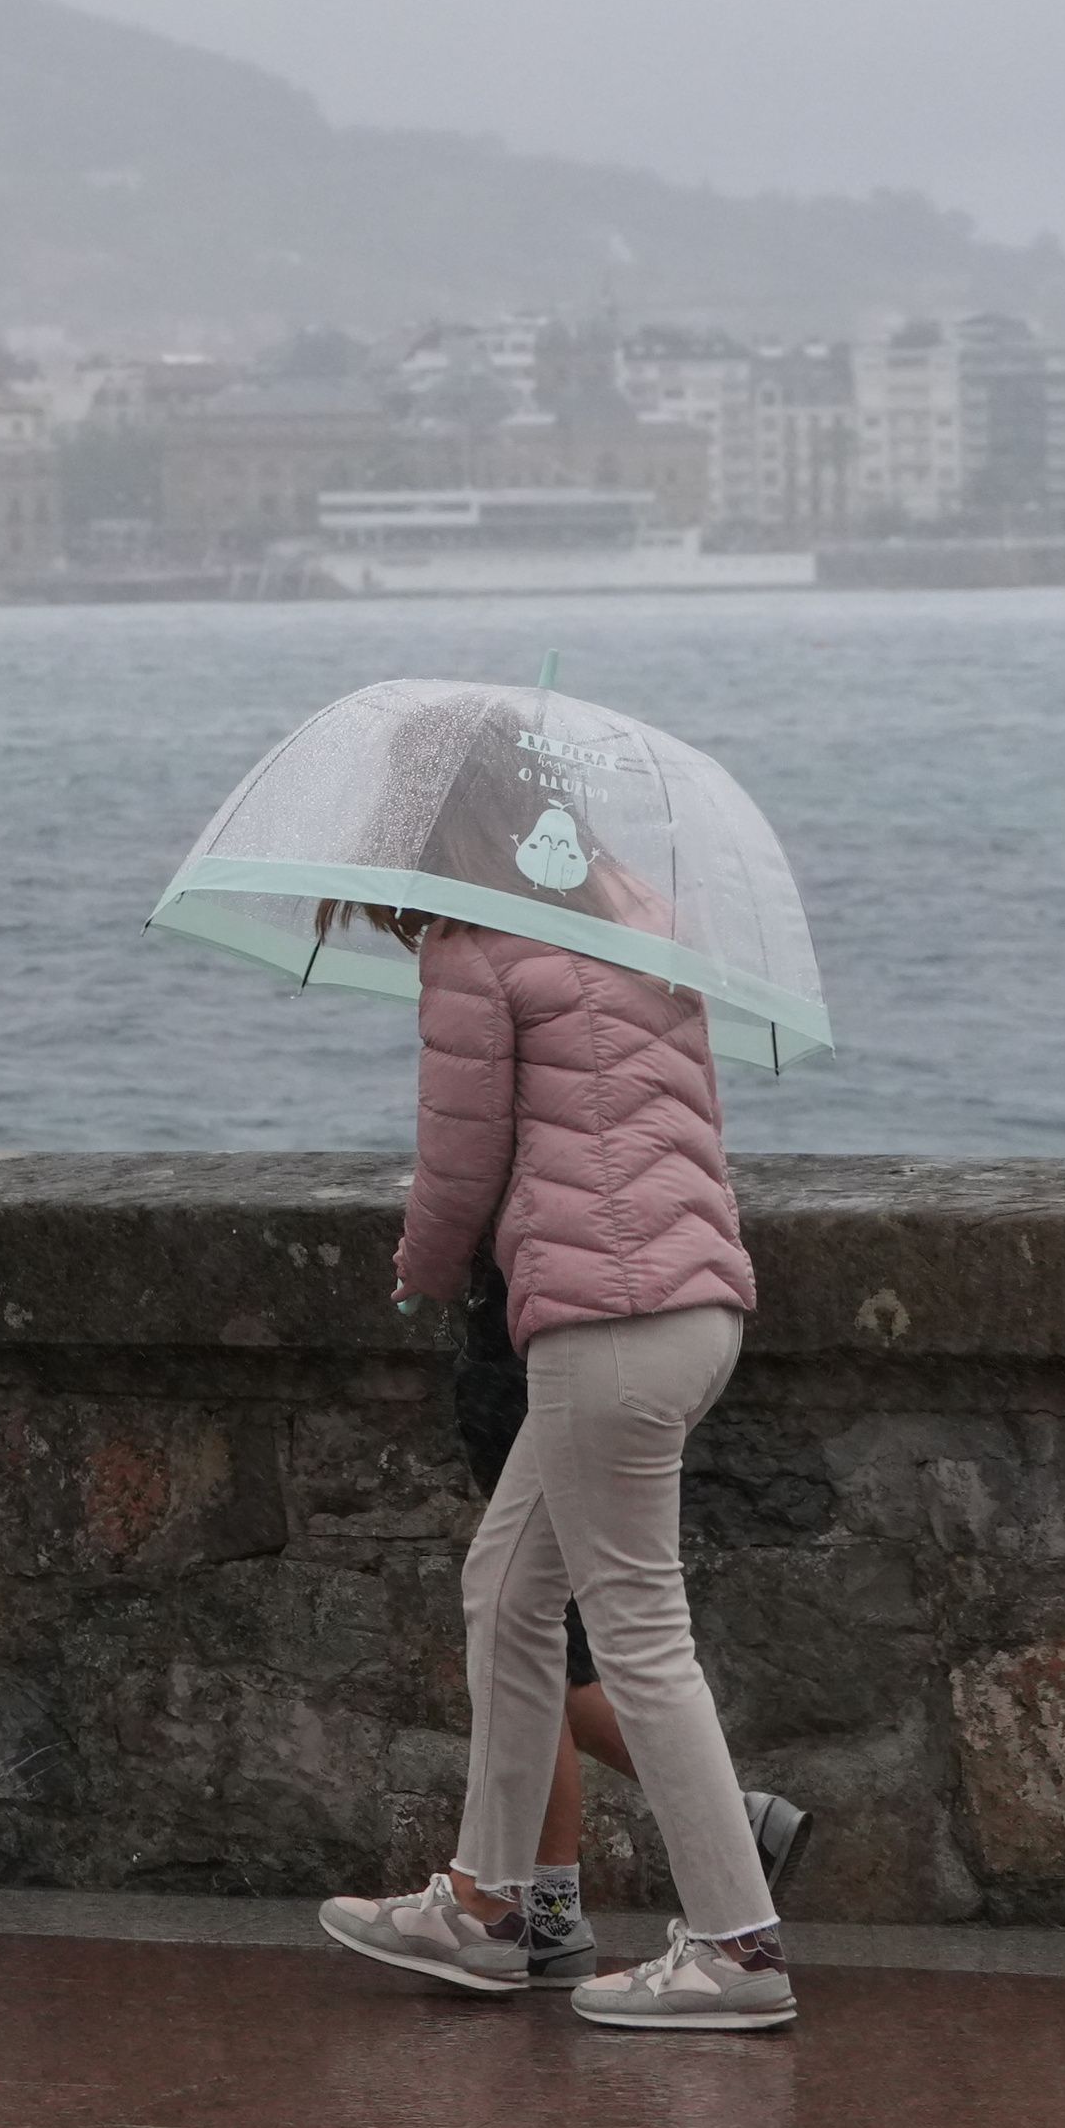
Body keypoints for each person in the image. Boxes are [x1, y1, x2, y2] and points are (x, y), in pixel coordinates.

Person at [319, 722, 794, 2032]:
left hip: (600, 1321)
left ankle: (733, 1948)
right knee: (505, 1592)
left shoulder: (475, 949)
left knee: (635, 1635)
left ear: (424, 833)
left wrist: (416, 1268)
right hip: (689, 1304)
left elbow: (457, 1166)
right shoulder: (629, 906)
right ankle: (492, 1908)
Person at [446, 1247, 811, 1985]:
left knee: (541, 1633)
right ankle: (717, 1839)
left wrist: (422, 1263)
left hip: (558, 1322)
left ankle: (546, 1907)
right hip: (670, 1308)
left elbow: (467, 1171)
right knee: (533, 1620)